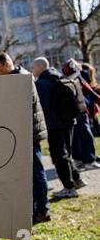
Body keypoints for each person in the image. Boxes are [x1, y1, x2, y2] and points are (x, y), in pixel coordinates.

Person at [0, 53, 50, 224]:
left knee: (36, 174)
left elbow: (19, 106)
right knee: (26, 175)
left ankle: (43, 209)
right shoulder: (15, 78)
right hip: (21, 134)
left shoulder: (20, 79)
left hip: (27, 134)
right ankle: (32, 209)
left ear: (6, 64)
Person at [31, 57, 87, 199]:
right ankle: (77, 180)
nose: (32, 70)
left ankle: (68, 188)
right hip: (68, 121)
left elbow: (44, 106)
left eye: (33, 68)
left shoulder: (42, 83)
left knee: (58, 156)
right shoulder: (58, 76)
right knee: (67, 153)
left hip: (54, 124)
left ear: (39, 67)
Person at [62, 60, 100, 170]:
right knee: (86, 135)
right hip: (81, 110)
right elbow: (90, 91)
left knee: (75, 137)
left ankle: (78, 160)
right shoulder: (78, 76)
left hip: (71, 112)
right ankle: (89, 160)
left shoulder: (65, 78)